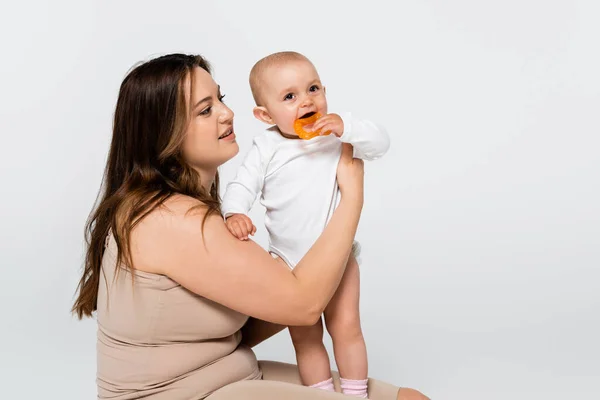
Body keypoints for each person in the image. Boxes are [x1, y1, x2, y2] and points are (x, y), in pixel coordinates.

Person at [71, 53, 429, 400]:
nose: (227, 114)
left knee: (411, 398)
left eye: (220, 99)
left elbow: (262, 312)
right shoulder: (170, 219)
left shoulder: (196, 208)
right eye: (205, 110)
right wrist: (351, 199)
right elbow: (304, 307)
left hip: (234, 372)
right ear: (165, 134)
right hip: (185, 392)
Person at [221, 51, 390, 398]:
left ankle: (356, 393)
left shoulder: (336, 135)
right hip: (287, 261)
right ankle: (321, 393)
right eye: (290, 96)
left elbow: (380, 143)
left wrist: (349, 127)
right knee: (306, 336)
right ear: (265, 114)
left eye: (313, 89)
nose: (307, 101)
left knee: (347, 328)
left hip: (339, 257)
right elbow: (243, 184)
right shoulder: (267, 145)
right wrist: (234, 212)